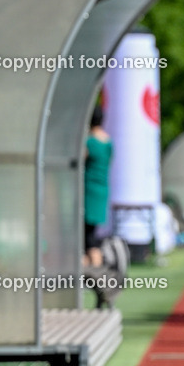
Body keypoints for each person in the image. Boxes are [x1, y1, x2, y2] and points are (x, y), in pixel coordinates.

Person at [83, 105, 113, 267]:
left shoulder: (89, 142)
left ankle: (95, 271)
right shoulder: (108, 142)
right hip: (101, 190)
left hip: (88, 191)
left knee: (87, 236)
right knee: (91, 231)